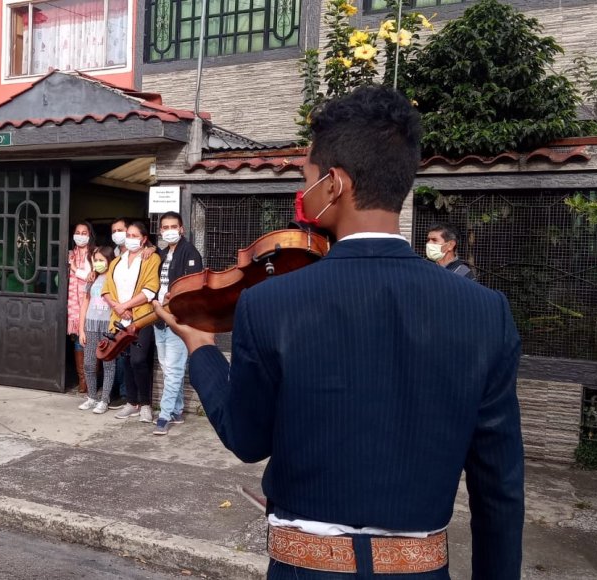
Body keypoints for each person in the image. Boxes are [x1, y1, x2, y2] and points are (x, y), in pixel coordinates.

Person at [153, 86, 524, 578]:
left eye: (306, 178)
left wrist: (200, 348)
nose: (301, 192)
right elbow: (499, 491)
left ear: (334, 185)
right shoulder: (484, 311)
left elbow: (246, 438)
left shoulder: (269, 303)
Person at [102, 221, 161, 423]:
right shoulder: (116, 261)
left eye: (135, 235)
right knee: (125, 360)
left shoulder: (151, 258)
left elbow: (150, 288)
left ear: (144, 239)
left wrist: (126, 305)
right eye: (129, 234)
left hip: (141, 318)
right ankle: (132, 402)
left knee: (138, 359)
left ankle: (145, 404)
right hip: (119, 318)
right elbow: (106, 289)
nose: (130, 238)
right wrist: (118, 307)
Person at [151, 211, 203, 435]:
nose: (170, 230)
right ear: (161, 230)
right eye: (165, 227)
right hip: (158, 318)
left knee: (173, 369)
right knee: (167, 366)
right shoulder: (160, 253)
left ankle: (164, 416)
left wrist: (173, 299)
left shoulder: (190, 253)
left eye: (174, 226)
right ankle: (177, 410)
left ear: (181, 228)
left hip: (178, 319)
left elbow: (193, 287)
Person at [78, 245, 117, 414]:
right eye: (96, 260)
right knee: (88, 364)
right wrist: (81, 329)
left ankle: (104, 400)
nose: (98, 263)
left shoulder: (115, 278)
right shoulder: (92, 278)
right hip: (91, 325)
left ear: (109, 261)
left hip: (107, 326)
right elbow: (85, 303)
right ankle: (92, 397)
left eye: (101, 260)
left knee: (108, 364)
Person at [67, 222, 96, 394]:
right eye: (77, 232)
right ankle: (82, 380)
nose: (80, 235)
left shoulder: (95, 253)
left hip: (92, 301)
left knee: (90, 340)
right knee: (78, 339)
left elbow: (92, 277)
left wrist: (75, 269)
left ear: (90, 235)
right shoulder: (70, 254)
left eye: (84, 232)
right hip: (74, 305)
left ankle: (92, 378)